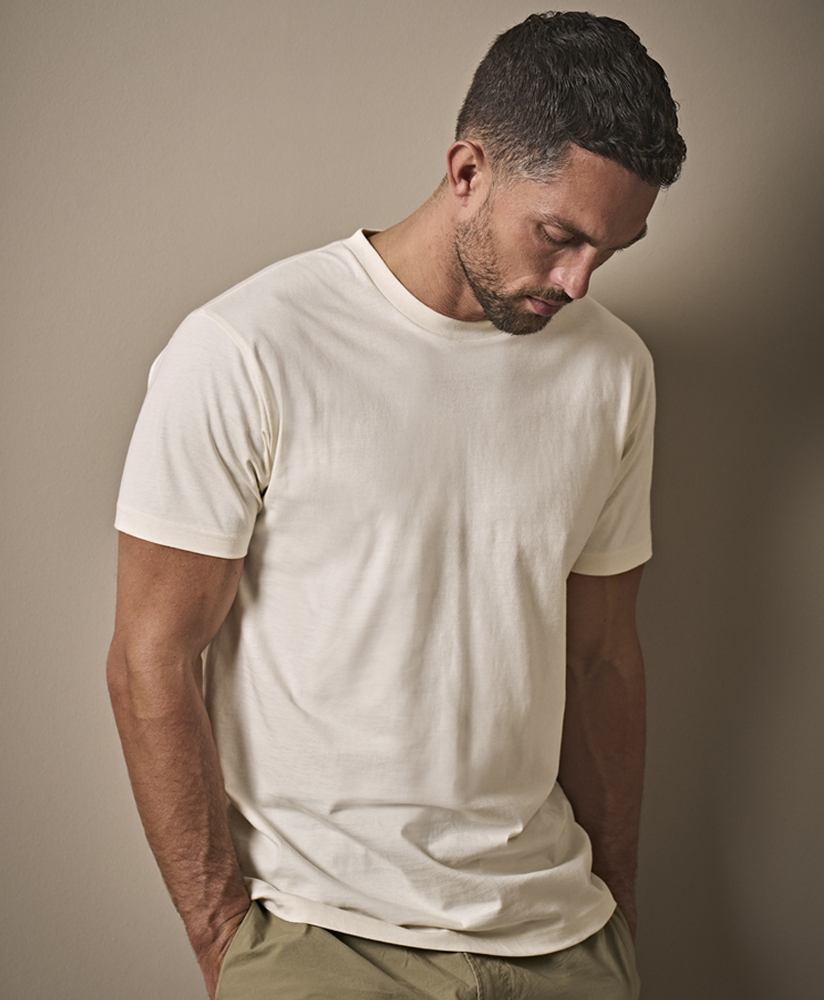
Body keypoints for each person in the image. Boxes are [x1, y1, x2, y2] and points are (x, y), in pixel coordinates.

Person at [107, 11, 685, 1000]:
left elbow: (599, 659)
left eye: (610, 249)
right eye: (559, 237)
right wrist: (223, 937)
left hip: (564, 938)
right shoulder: (247, 348)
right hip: (324, 940)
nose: (577, 281)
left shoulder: (614, 370)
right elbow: (149, 659)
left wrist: (618, 904)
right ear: (467, 171)